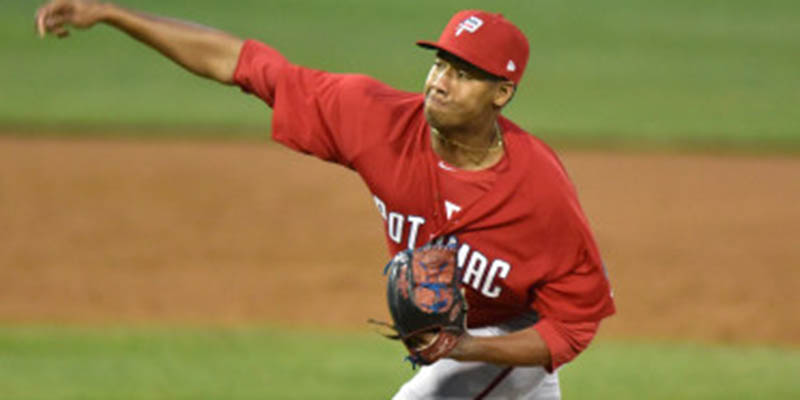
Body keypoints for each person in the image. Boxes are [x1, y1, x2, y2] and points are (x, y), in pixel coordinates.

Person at [35, 1, 616, 398]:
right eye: (440, 62)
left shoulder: (539, 192)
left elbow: (573, 326)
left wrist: (464, 347)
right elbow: (246, 66)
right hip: (477, 355)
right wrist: (114, 14)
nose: (439, 80)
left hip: (507, 338)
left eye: (463, 73)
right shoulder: (376, 118)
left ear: (502, 93)